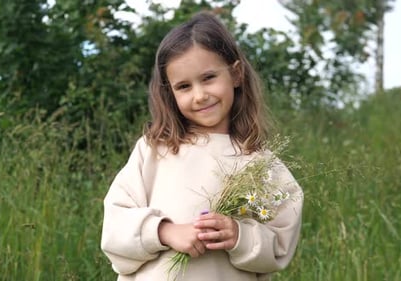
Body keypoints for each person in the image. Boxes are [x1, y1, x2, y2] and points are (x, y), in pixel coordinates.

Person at [101, 11, 303, 281]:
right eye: (184, 86)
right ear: (170, 93)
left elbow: (280, 244)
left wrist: (239, 236)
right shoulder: (154, 151)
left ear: (236, 74)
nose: (199, 95)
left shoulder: (260, 165)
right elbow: (115, 227)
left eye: (208, 78)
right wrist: (163, 231)